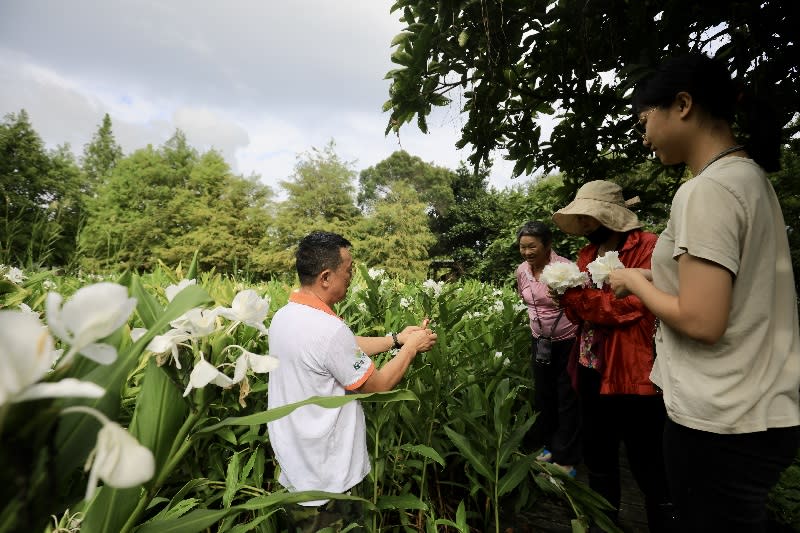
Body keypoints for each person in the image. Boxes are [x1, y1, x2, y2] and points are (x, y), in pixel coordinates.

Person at [609, 53, 800, 532]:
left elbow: (702, 319)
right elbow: (723, 292)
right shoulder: (748, 179)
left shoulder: (706, 191)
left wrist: (632, 280)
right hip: (760, 412)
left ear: (683, 105)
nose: (644, 134)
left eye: (645, 119)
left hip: (721, 421)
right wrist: (652, 281)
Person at [267, 231, 437, 532]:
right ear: (325, 277)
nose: (352, 276)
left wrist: (395, 340)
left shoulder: (286, 316)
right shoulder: (328, 330)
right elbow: (379, 385)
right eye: (349, 270)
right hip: (326, 478)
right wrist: (412, 349)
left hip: (295, 465)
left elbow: (339, 348)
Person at [552, 181, 673, 532]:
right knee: (599, 455)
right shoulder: (588, 255)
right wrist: (567, 299)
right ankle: (603, 523)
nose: (585, 225)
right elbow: (579, 315)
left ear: (611, 216)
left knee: (647, 460)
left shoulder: (649, 247)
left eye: (589, 217)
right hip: (592, 366)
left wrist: (577, 300)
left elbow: (630, 307)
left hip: (634, 371)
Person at [515, 221, 580, 475]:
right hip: (540, 341)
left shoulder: (565, 269)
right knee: (544, 396)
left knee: (567, 398)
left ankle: (567, 458)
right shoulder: (522, 271)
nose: (527, 252)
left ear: (548, 245)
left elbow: (579, 304)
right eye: (523, 247)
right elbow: (527, 299)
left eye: (532, 246)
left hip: (568, 341)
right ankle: (550, 447)